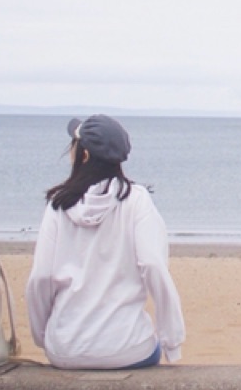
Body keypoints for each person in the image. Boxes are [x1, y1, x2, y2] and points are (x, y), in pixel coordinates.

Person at [27, 114, 187, 370]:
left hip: (64, 349)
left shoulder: (58, 203)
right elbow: (153, 265)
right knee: (149, 345)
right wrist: (172, 341)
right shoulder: (136, 200)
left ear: (85, 155)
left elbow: (40, 277)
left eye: (74, 144)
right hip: (127, 348)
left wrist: (44, 337)